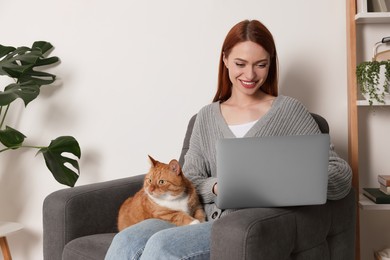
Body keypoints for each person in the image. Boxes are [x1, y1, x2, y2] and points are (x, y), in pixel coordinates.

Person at [105, 19, 352, 260]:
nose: (250, 74)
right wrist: (217, 186)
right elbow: (191, 179)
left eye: (261, 65)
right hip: (200, 219)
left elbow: (340, 174)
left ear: (271, 64)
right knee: (126, 240)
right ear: (225, 61)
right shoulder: (206, 117)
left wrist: (286, 182)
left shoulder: (289, 111)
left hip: (249, 228)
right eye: (240, 63)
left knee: (163, 246)